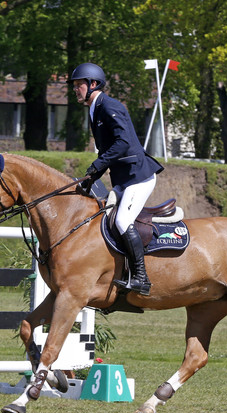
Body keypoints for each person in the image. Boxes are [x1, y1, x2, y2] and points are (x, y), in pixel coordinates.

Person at [69, 62, 164, 296]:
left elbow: (121, 144)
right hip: (123, 179)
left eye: (78, 85)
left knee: (122, 221)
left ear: (93, 84)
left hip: (137, 177)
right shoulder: (96, 110)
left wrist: (96, 166)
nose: (75, 89)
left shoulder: (110, 106)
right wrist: (91, 178)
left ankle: (141, 278)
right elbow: (107, 153)